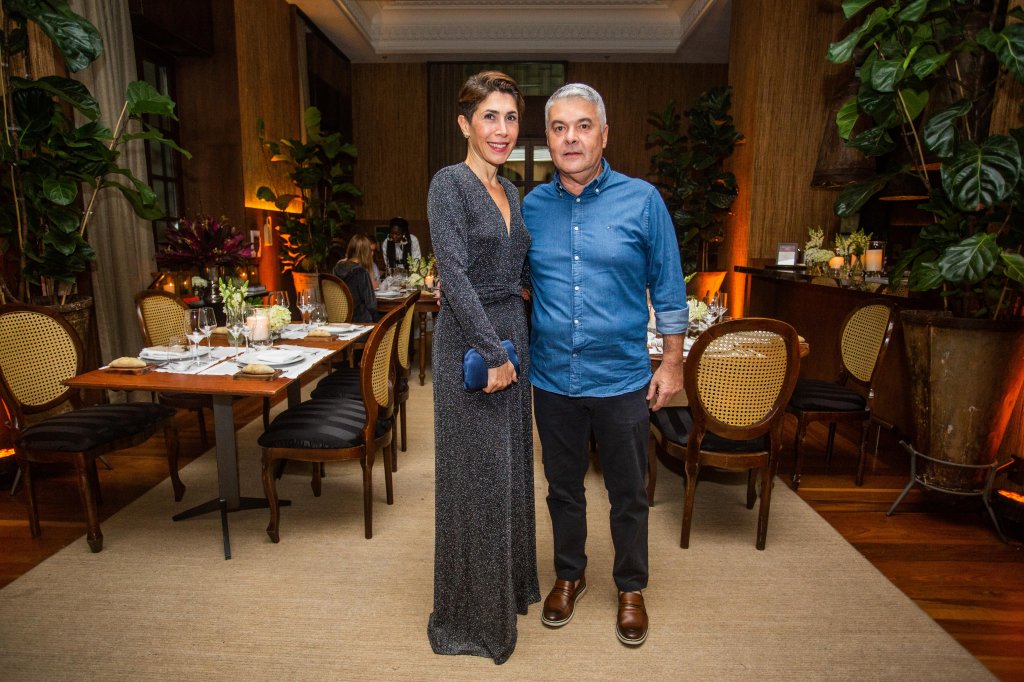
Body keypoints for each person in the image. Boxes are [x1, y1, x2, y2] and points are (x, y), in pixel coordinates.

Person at [522, 83, 687, 647]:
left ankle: (631, 587)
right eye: (559, 128)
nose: (571, 138)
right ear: (548, 139)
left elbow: (669, 287)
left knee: (628, 492)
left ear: (604, 134)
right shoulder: (530, 208)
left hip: (621, 378)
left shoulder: (642, 201)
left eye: (583, 125)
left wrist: (672, 363)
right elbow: (513, 281)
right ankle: (569, 575)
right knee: (562, 488)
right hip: (552, 378)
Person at [426, 70, 539, 664]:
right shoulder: (450, 184)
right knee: (474, 480)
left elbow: (516, 269)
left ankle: (507, 592)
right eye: (489, 116)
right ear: (464, 124)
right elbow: (454, 275)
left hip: (512, 339)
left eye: (511, 117)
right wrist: (494, 353)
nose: (502, 129)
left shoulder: (512, 191)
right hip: (472, 349)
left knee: (509, 472)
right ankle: (470, 617)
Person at [332, 233, 381, 322]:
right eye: (370, 251)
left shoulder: (337, 268)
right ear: (365, 252)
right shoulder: (361, 272)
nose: (372, 254)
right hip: (360, 321)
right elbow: (371, 305)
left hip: (338, 319)